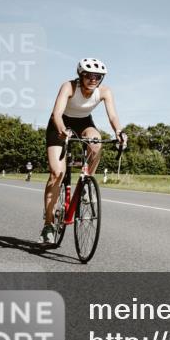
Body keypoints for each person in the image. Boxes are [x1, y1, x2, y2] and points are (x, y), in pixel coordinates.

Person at [41, 58, 126, 245]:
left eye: (98, 76)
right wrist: (62, 130)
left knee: (96, 143)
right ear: (81, 75)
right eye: (89, 75)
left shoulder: (104, 92)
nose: (93, 79)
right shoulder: (69, 87)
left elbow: (112, 115)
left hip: (84, 122)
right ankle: (48, 224)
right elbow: (56, 114)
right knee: (57, 173)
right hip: (59, 124)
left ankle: (86, 182)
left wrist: (119, 132)